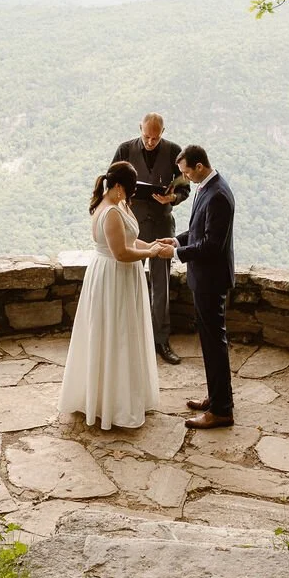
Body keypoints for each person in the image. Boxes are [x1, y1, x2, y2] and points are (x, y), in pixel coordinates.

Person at [58, 160, 174, 430]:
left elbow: (131, 240)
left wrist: (152, 243)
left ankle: (120, 395)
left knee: (122, 333)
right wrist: (151, 254)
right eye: (131, 190)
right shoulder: (109, 212)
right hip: (113, 276)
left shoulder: (118, 204)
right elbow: (121, 253)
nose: (132, 195)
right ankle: (112, 403)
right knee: (116, 335)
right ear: (119, 187)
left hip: (120, 275)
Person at [112, 113, 190, 364]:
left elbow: (184, 187)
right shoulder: (124, 149)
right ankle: (129, 338)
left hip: (161, 224)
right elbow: (111, 183)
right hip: (132, 223)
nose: (150, 141)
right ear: (140, 129)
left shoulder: (174, 152)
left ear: (163, 132)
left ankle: (161, 341)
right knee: (128, 280)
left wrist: (172, 198)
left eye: (156, 137)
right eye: (146, 136)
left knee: (161, 284)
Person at [175, 144, 235, 429]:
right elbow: (198, 231)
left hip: (211, 280)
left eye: (187, 172)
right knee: (210, 342)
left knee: (214, 343)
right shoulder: (206, 189)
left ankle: (222, 410)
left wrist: (177, 254)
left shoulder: (219, 195)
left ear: (200, 166)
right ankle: (215, 397)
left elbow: (211, 245)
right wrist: (175, 241)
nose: (186, 178)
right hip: (203, 278)